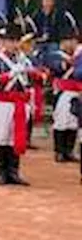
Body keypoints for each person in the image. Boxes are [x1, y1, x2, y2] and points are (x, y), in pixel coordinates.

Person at [0, 23, 45, 186]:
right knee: (2, 136)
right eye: (9, 40)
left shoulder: (26, 60)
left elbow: (39, 78)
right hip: (4, 102)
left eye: (16, 40)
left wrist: (29, 72)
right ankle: (0, 172)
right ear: (4, 42)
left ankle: (13, 172)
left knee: (16, 137)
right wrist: (8, 75)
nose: (13, 44)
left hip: (21, 102)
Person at [47, 20, 81, 165]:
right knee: (61, 122)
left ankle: (68, 150)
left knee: (73, 122)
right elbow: (57, 68)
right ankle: (59, 151)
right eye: (69, 41)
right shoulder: (55, 54)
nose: (72, 44)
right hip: (62, 92)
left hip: (76, 91)